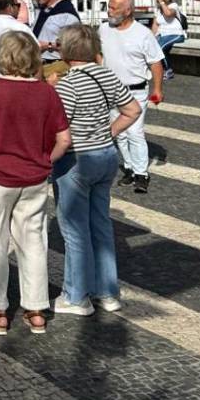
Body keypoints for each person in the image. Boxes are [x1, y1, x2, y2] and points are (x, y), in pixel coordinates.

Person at [0, 31, 71, 336]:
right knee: (33, 240)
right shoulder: (47, 93)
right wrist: (47, 160)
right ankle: (35, 310)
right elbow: (64, 139)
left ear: (4, 57)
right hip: (34, 177)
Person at [51, 24, 142, 317]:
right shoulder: (106, 74)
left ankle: (77, 297)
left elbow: (58, 127)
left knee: (75, 231)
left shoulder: (67, 84)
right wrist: (109, 133)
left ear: (66, 51)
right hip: (106, 156)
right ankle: (108, 293)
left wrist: (51, 91)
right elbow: (133, 110)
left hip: (78, 160)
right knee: (101, 225)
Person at [99, 0, 165, 194]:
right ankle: (128, 168)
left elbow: (156, 64)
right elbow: (98, 52)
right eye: (109, 6)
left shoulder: (143, 34)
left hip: (135, 91)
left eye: (114, 8)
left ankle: (141, 174)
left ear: (128, 10)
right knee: (119, 133)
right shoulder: (103, 29)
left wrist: (157, 89)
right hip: (111, 90)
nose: (109, 11)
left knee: (135, 133)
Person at [31, 0, 81, 77]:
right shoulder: (42, 11)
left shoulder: (67, 14)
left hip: (56, 66)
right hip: (38, 65)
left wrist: (48, 45)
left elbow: (75, 45)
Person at [150, 0, 186, 81]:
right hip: (163, 35)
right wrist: (152, 37)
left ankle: (168, 71)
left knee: (160, 48)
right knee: (155, 48)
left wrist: (162, 3)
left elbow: (168, 13)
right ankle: (161, 70)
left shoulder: (173, 6)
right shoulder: (157, 10)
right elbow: (155, 24)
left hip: (176, 34)